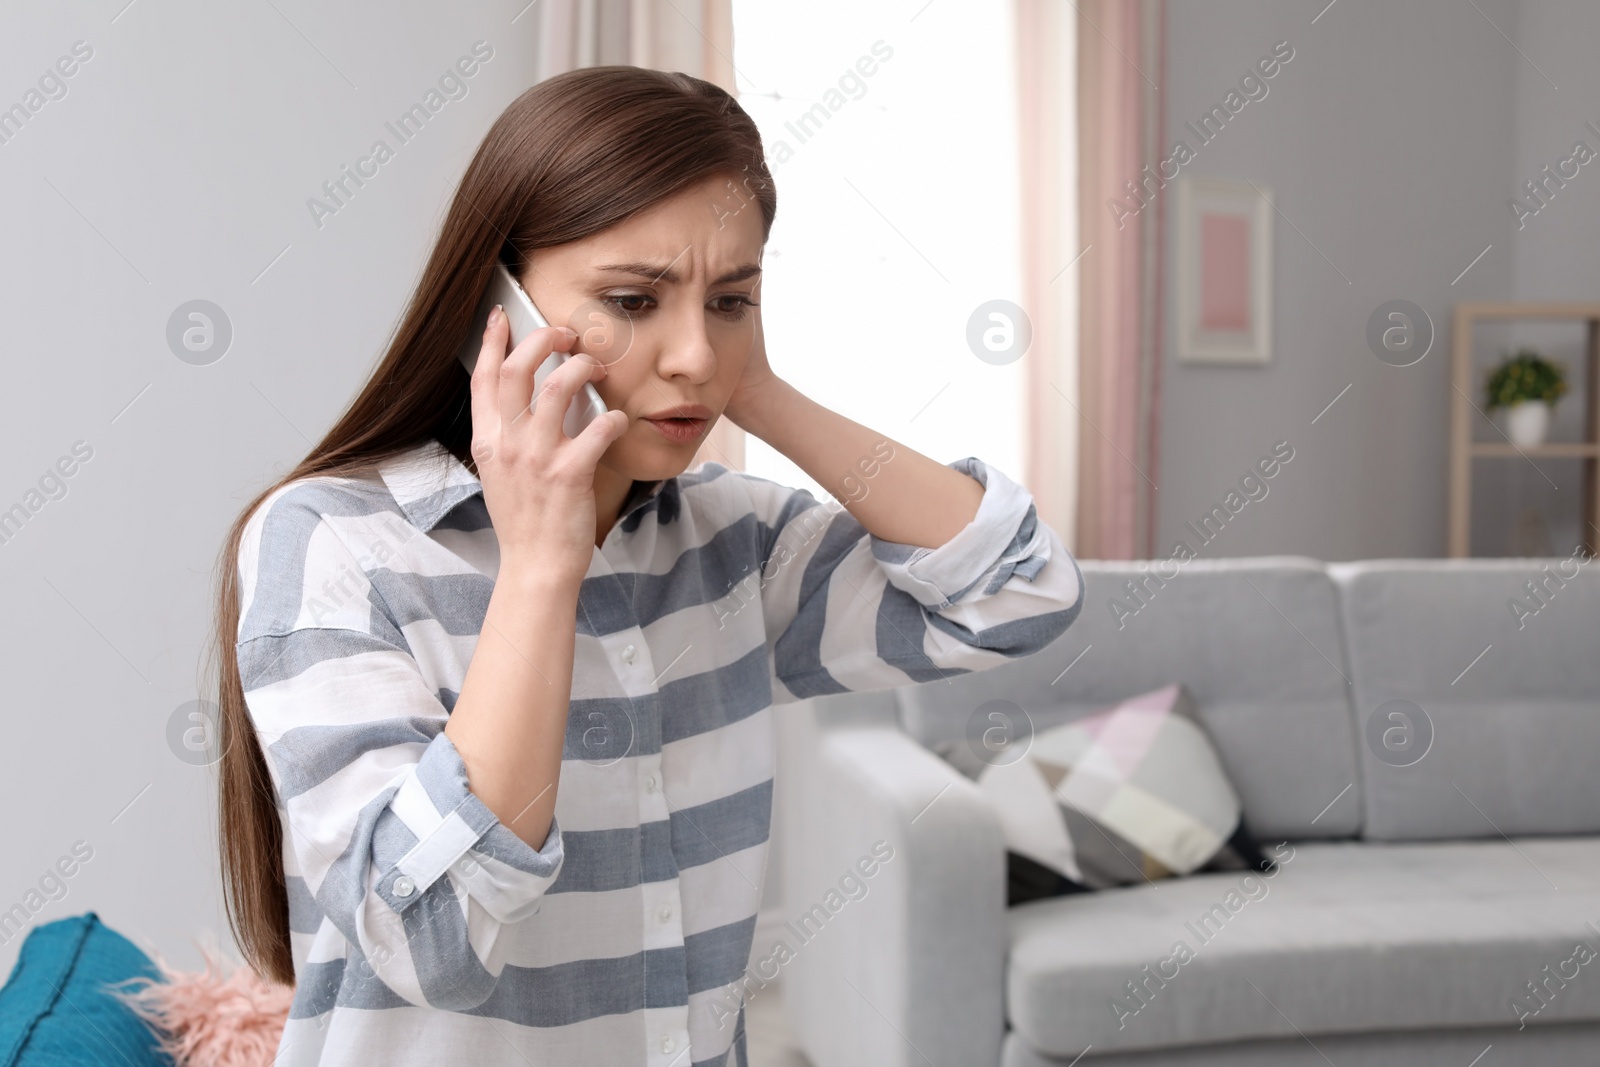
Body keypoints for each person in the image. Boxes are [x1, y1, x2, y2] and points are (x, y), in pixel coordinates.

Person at [210, 64, 1084, 1066]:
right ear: (495, 306)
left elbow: (1018, 590)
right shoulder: (333, 540)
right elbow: (433, 936)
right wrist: (543, 561)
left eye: (731, 299)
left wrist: (755, 386)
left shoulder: (729, 544)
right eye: (633, 298)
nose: (693, 356)